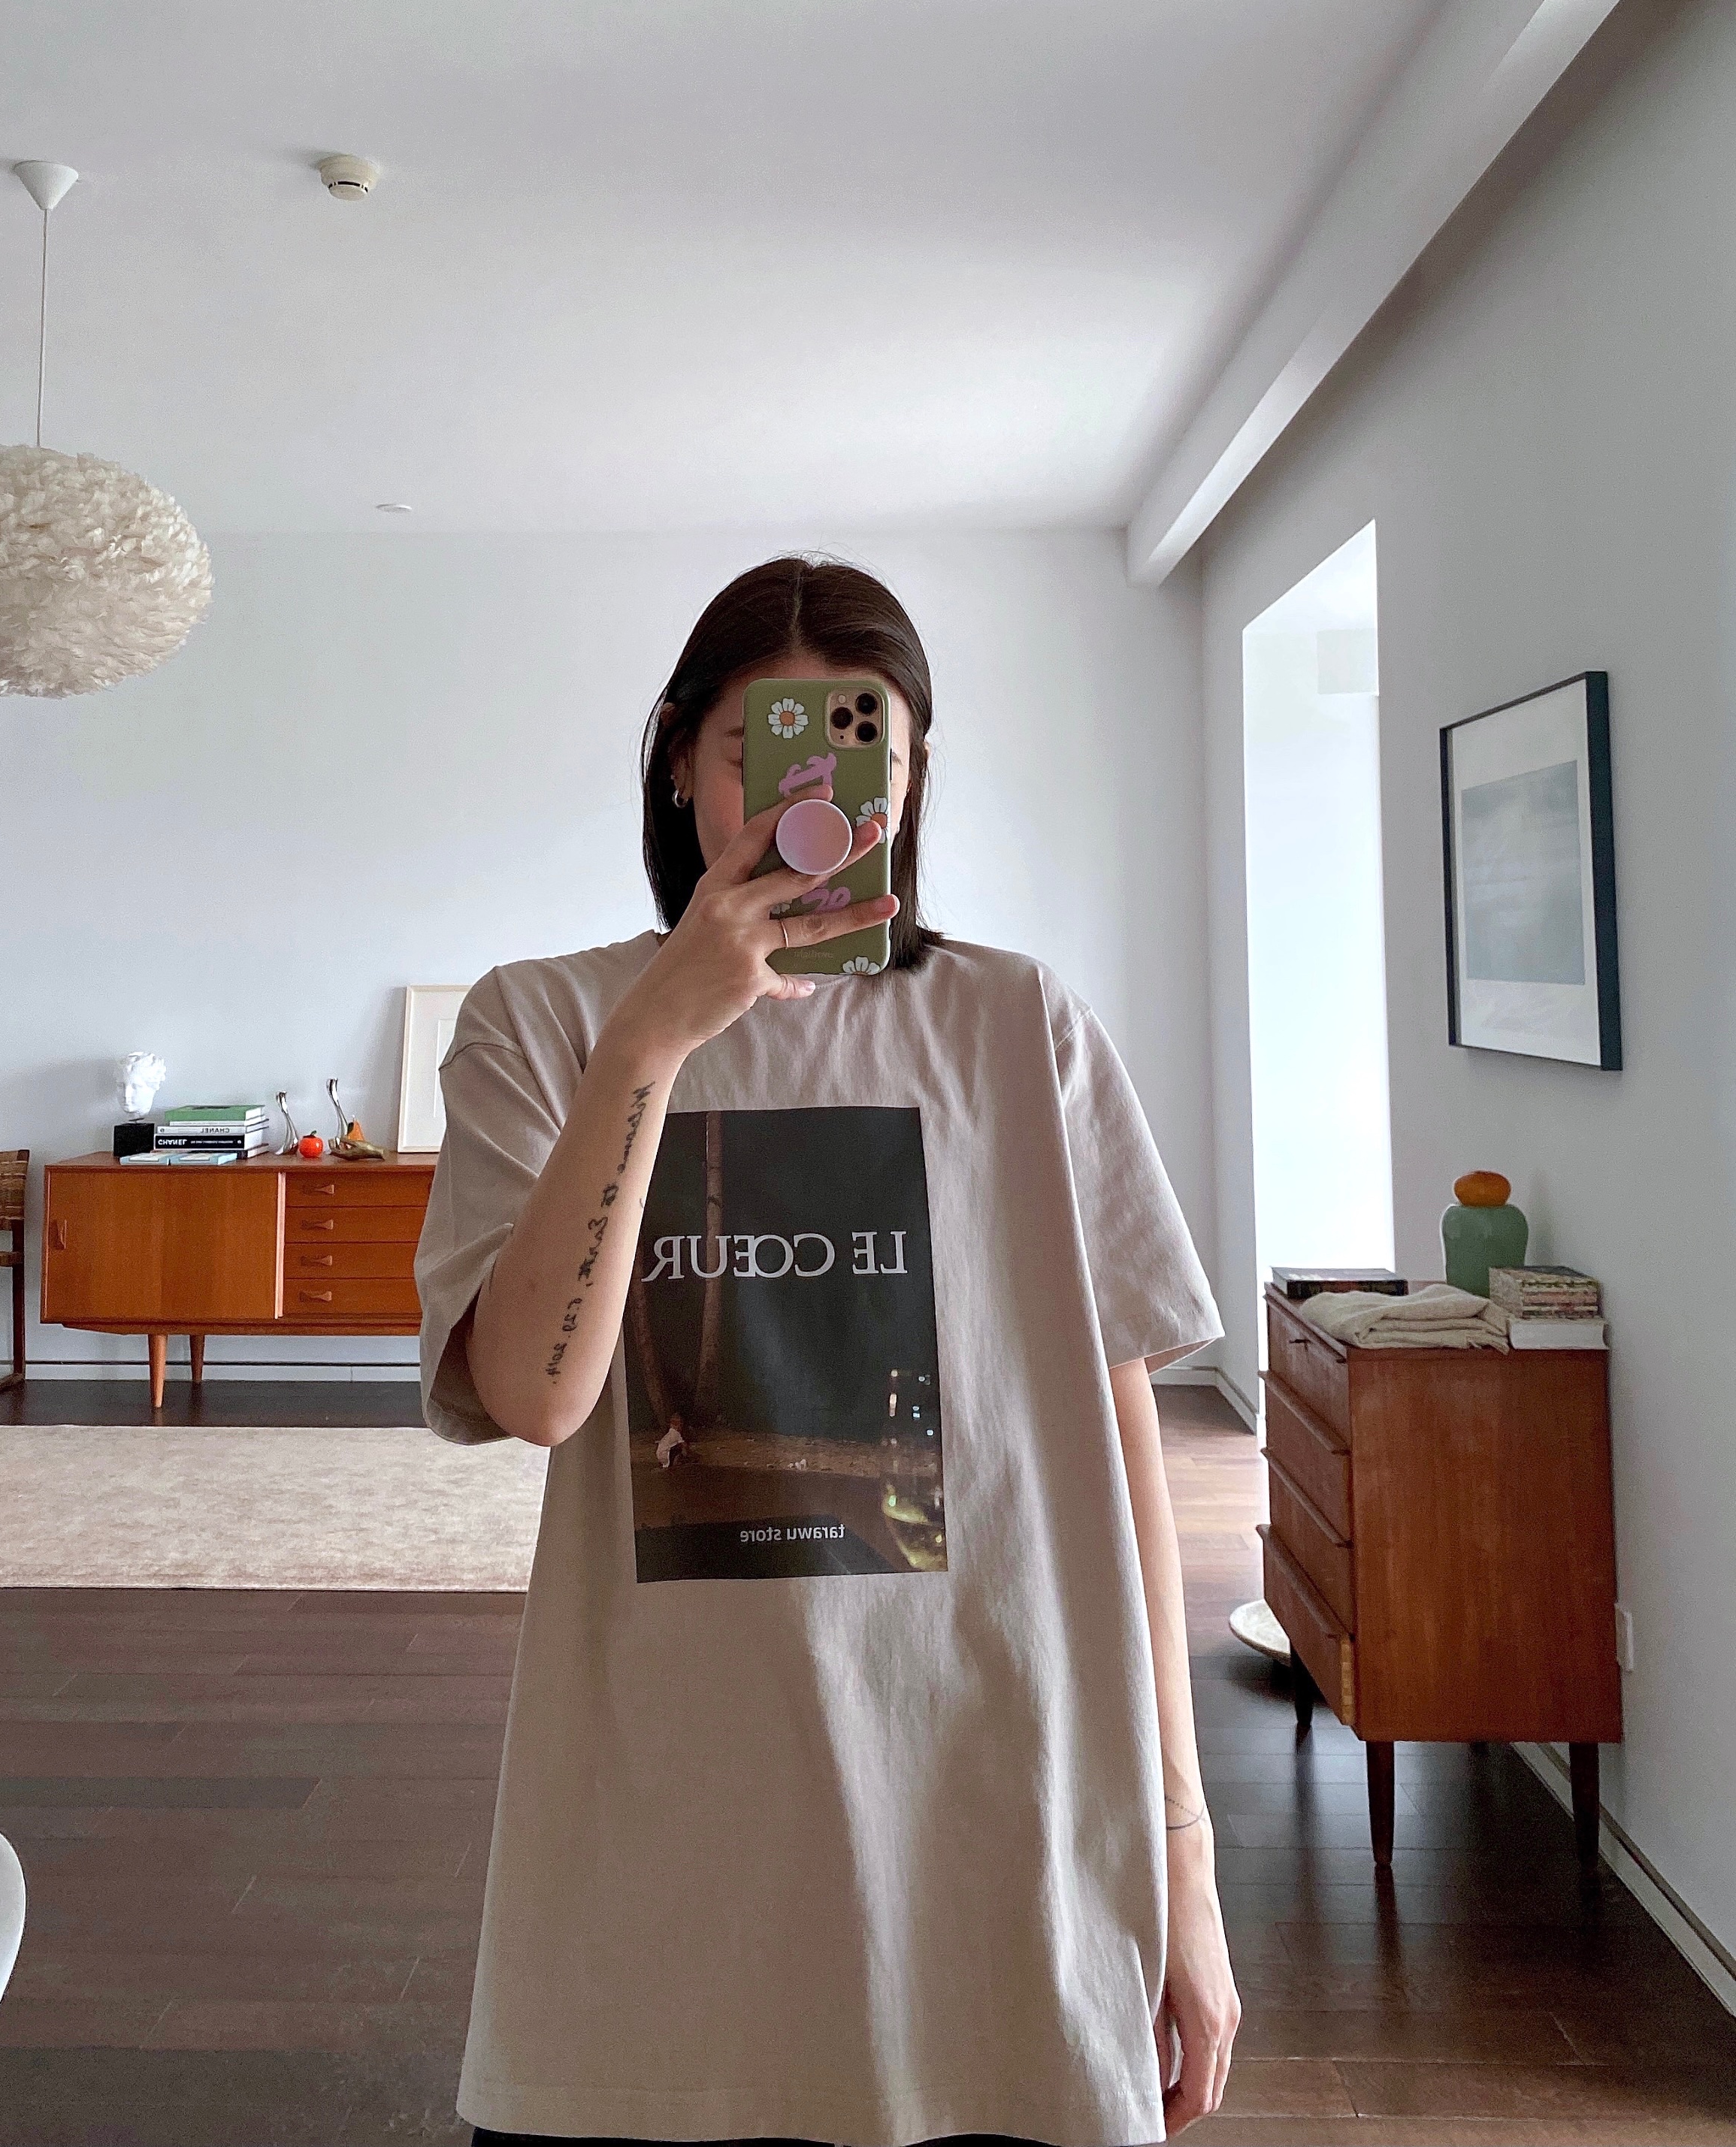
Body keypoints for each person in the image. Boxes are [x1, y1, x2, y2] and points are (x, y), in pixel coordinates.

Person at [416, 557, 1240, 2145]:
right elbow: (535, 1391)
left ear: (911, 777)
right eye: (757, 750)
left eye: (866, 750)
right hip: (652, 1865)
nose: (808, 803)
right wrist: (653, 1035)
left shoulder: (1022, 1025)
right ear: (677, 756)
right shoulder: (540, 1023)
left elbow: (1125, 1453)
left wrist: (1183, 1857)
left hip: (1000, 1833)